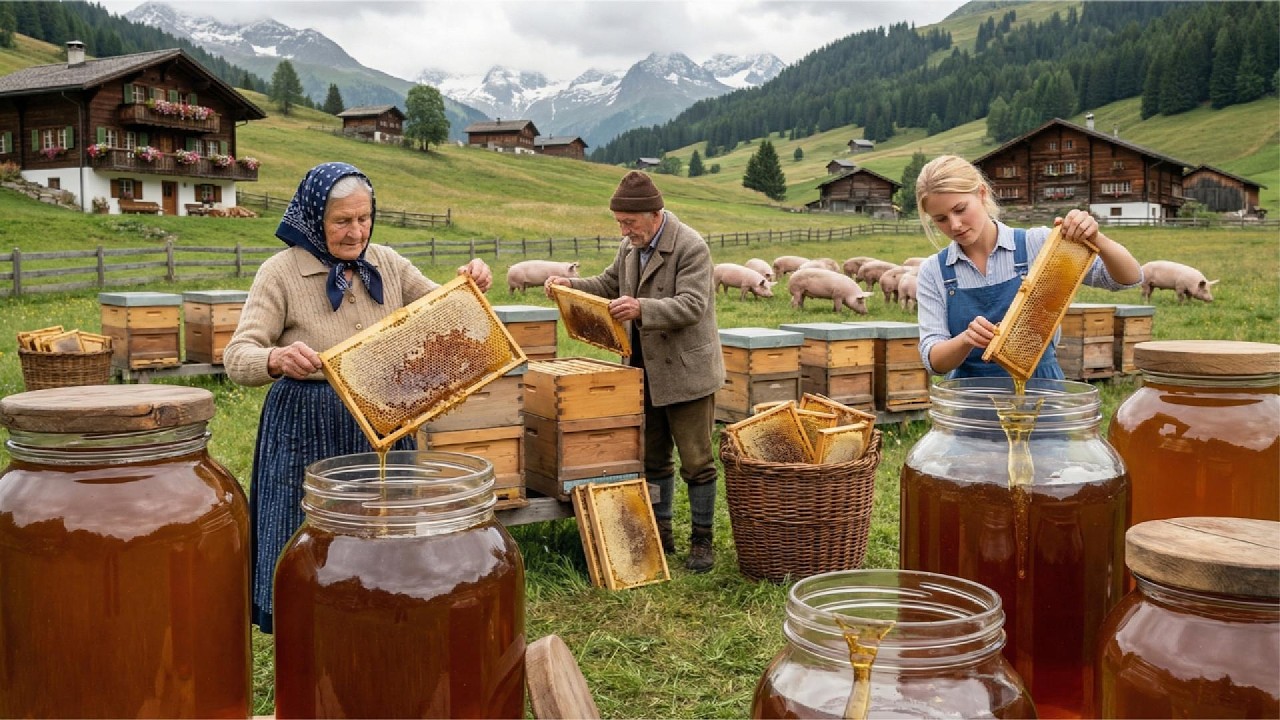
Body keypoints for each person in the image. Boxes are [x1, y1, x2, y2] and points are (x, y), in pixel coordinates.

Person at [223, 162, 492, 633]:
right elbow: (237, 355)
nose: (356, 232)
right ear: (312, 218)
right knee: (309, 532)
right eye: (342, 221)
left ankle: (387, 611)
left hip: (386, 417)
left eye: (364, 218)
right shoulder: (280, 273)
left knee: (388, 523)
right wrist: (276, 359)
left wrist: (471, 279)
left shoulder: (388, 263)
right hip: (308, 422)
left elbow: (448, 307)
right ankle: (305, 625)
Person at [545, 171, 725, 573]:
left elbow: (693, 305)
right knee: (653, 458)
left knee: (697, 461)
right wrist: (568, 285)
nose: (625, 231)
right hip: (642, 369)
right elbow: (609, 284)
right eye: (620, 224)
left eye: (630, 223)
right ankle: (662, 534)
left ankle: (702, 541)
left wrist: (643, 308)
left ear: (655, 214)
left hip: (686, 372)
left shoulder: (691, 247)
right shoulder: (629, 248)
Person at [913, 155, 1142, 379]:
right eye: (941, 219)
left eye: (960, 209)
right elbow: (934, 361)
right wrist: (965, 340)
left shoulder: (1038, 244)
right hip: (971, 403)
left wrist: (1096, 238)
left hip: (1041, 394)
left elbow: (1127, 278)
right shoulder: (933, 271)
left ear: (981, 194)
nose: (955, 224)